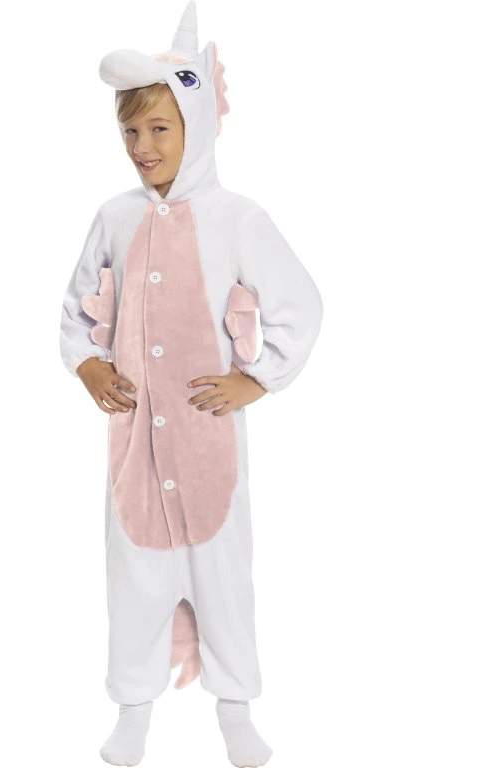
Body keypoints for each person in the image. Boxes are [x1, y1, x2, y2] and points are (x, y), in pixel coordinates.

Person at [58, 3, 322, 766]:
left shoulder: (236, 219)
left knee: (223, 574)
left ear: (197, 127)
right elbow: (76, 304)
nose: (143, 147)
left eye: (160, 129)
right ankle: (132, 708)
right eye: (130, 131)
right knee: (133, 571)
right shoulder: (113, 217)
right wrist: (87, 362)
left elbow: (301, 305)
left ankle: (235, 704)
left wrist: (257, 379)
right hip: (135, 441)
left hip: (208, 441)